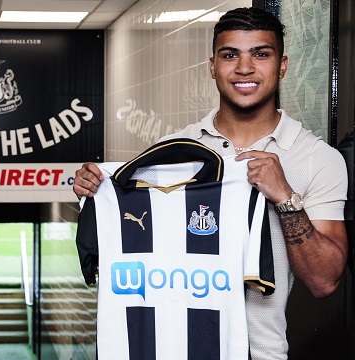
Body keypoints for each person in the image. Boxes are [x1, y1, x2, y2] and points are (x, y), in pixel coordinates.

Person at [72, 7, 348, 360]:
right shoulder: (172, 152)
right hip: (172, 349)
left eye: (260, 54)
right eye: (229, 55)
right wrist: (97, 190)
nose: (244, 68)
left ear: (282, 66)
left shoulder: (316, 158)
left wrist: (284, 198)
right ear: (212, 66)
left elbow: (324, 282)